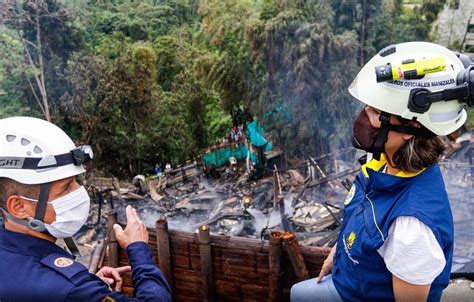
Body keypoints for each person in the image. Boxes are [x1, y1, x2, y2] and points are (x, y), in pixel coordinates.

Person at [291, 41, 472, 301]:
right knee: (298, 293)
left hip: (362, 295)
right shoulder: (383, 163)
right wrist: (338, 254)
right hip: (351, 279)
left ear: (411, 127)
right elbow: (363, 214)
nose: (363, 116)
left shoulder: (412, 229)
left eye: (376, 111)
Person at [0, 116, 171, 302]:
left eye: (76, 181)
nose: (79, 192)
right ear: (19, 207)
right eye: (65, 187)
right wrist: (139, 248)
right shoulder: (68, 288)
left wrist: (89, 281)